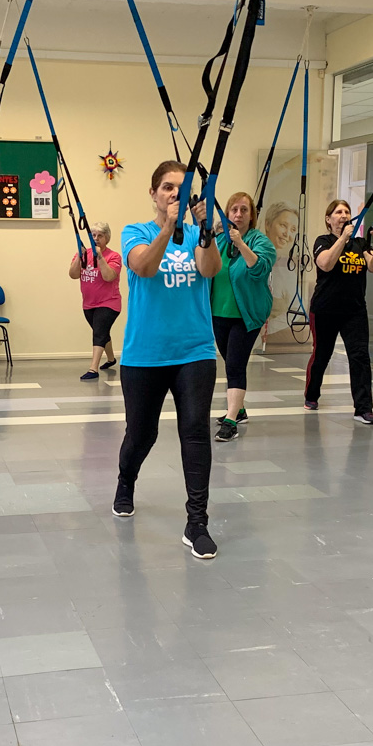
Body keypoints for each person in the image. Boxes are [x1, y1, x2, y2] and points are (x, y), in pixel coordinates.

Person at [113, 160, 221, 558]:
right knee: (142, 434)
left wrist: (205, 229)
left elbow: (210, 269)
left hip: (195, 350)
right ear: (154, 193)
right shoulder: (135, 232)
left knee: (195, 431)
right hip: (145, 354)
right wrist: (167, 229)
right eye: (168, 187)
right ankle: (126, 480)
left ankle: (197, 522)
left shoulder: (196, 234)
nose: (175, 193)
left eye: (182, 187)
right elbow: (143, 267)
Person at [304, 199, 373, 423]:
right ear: (328, 219)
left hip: (354, 311)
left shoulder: (360, 243)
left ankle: (363, 408)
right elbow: (326, 264)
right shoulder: (323, 241)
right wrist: (342, 239)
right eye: (338, 212)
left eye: (346, 212)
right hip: (325, 309)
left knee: (360, 357)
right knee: (322, 355)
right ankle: (311, 395)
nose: (343, 215)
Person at [211, 191, 275, 442]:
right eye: (234, 209)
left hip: (246, 315)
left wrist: (240, 243)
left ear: (252, 215)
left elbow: (258, 269)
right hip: (218, 312)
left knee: (235, 365)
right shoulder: (219, 240)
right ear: (227, 214)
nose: (238, 214)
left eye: (244, 210)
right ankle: (239, 410)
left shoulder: (260, 241)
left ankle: (230, 422)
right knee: (229, 362)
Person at [69, 220, 121, 380]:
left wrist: (100, 257)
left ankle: (93, 369)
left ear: (107, 238)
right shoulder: (84, 253)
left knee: (98, 332)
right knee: (102, 332)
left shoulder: (114, 256)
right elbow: (73, 275)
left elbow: (108, 276)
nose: (96, 239)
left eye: (100, 236)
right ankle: (111, 359)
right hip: (89, 303)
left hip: (109, 303)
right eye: (93, 235)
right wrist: (79, 256)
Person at [261, 201, 300, 337]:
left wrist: (268, 328)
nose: (287, 234)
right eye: (283, 225)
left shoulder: (287, 271)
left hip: (264, 339)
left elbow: (296, 310)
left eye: (293, 230)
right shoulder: (251, 256)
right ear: (267, 224)